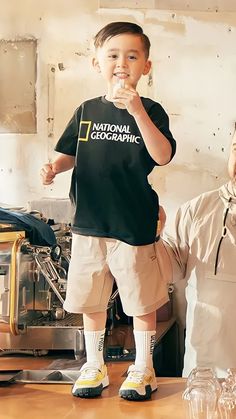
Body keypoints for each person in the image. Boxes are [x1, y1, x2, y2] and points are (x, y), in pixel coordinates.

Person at [40, 21, 176, 400]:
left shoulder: (151, 110)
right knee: (90, 298)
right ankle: (94, 366)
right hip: (88, 224)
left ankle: (143, 368)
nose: (122, 63)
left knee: (141, 299)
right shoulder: (85, 110)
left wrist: (136, 111)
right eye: (113, 55)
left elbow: (162, 155)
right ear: (96, 63)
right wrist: (53, 168)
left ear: (146, 66)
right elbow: (68, 154)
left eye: (132, 56)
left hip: (133, 225)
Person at [161, 129, 236, 378]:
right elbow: (168, 269)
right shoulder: (197, 210)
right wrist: (150, 237)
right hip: (206, 374)